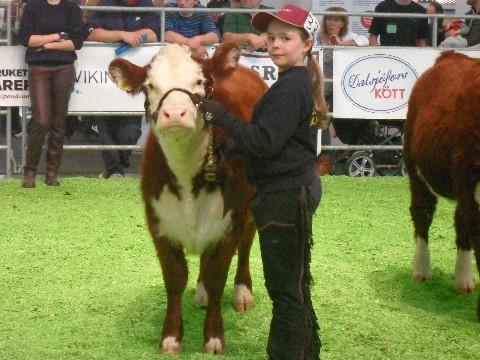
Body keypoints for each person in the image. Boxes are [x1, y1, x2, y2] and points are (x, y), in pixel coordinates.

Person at [199, 4, 326, 358]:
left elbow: (265, 141)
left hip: (285, 193)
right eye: (271, 38)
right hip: (287, 190)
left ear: (307, 43)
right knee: (292, 285)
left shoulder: (290, 88)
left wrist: (223, 117)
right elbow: (267, 137)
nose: (275, 45)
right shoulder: (293, 83)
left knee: (286, 290)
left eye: (286, 38)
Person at [86, 0, 158, 179]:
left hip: (133, 81)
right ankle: (116, 171)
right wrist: (122, 35)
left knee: (131, 132)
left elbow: (154, 34)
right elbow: (93, 34)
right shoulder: (105, 3)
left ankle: (114, 168)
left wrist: (138, 36)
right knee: (105, 128)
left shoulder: (146, 4)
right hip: (102, 77)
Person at [19, 0, 86, 187]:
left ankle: (51, 172)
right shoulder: (32, 7)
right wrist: (58, 36)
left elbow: (76, 42)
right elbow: (26, 39)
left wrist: (45, 44)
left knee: (59, 122)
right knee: (41, 120)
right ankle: (30, 170)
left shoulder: (72, 8)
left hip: (64, 68)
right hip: (38, 68)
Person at [318, 6, 368, 176]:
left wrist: (342, 43)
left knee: (346, 123)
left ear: (343, 23)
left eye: (337, 19)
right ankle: (323, 160)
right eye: (329, 19)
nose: (332, 23)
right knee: (321, 121)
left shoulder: (349, 37)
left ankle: (349, 155)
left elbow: (365, 41)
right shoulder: (315, 38)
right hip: (320, 88)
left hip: (342, 89)